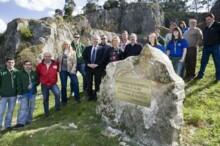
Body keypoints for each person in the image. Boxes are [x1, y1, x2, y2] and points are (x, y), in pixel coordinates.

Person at [196, 13, 220, 83]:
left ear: (213, 18)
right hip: (206, 47)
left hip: (215, 46)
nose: (208, 21)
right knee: (203, 62)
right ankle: (200, 75)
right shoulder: (206, 27)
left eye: (209, 19)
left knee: (217, 62)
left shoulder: (218, 25)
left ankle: (218, 77)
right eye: (206, 20)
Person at [15, 60, 38, 128]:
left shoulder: (34, 73)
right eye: (26, 65)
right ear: (24, 65)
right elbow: (18, 84)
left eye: (29, 64)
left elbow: (37, 81)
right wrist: (19, 93)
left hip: (32, 93)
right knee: (23, 108)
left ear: (31, 65)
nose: (28, 66)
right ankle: (20, 122)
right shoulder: (20, 73)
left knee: (31, 107)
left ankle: (29, 120)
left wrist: (33, 84)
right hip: (24, 93)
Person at [36, 52, 60, 117]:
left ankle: (57, 109)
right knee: (45, 98)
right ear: (44, 57)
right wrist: (38, 82)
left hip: (53, 83)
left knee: (57, 94)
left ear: (50, 57)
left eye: (49, 56)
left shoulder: (55, 63)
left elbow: (59, 70)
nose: (47, 58)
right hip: (44, 84)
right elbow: (37, 74)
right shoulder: (39, 66)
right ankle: (46, 113)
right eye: (46, 56)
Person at [0, 57, 21, 130]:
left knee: (10, 111)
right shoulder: (2, 71)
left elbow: (18, 84)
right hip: (3, 96)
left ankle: (7, 125)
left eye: (12, 62)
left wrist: (18, 94)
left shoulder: (17, 72)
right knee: (1, 111)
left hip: (13, 96)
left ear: (14, 63)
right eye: (9, 62)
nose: (11, 64)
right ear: (6, 63)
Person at [83, 35, 105, 101]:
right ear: (92, 40)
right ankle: (90, 96)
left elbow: (102, 58)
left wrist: (97, 64)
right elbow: (84, 56)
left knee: (97, 82)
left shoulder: (102, 49)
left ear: (99, 41)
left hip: (98, 68)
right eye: (94, 39)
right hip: (89, 68)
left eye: (97, 39)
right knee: (89, 82)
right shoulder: (87, 48)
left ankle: (96, 96)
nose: (95, 40)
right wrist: (88, 64)